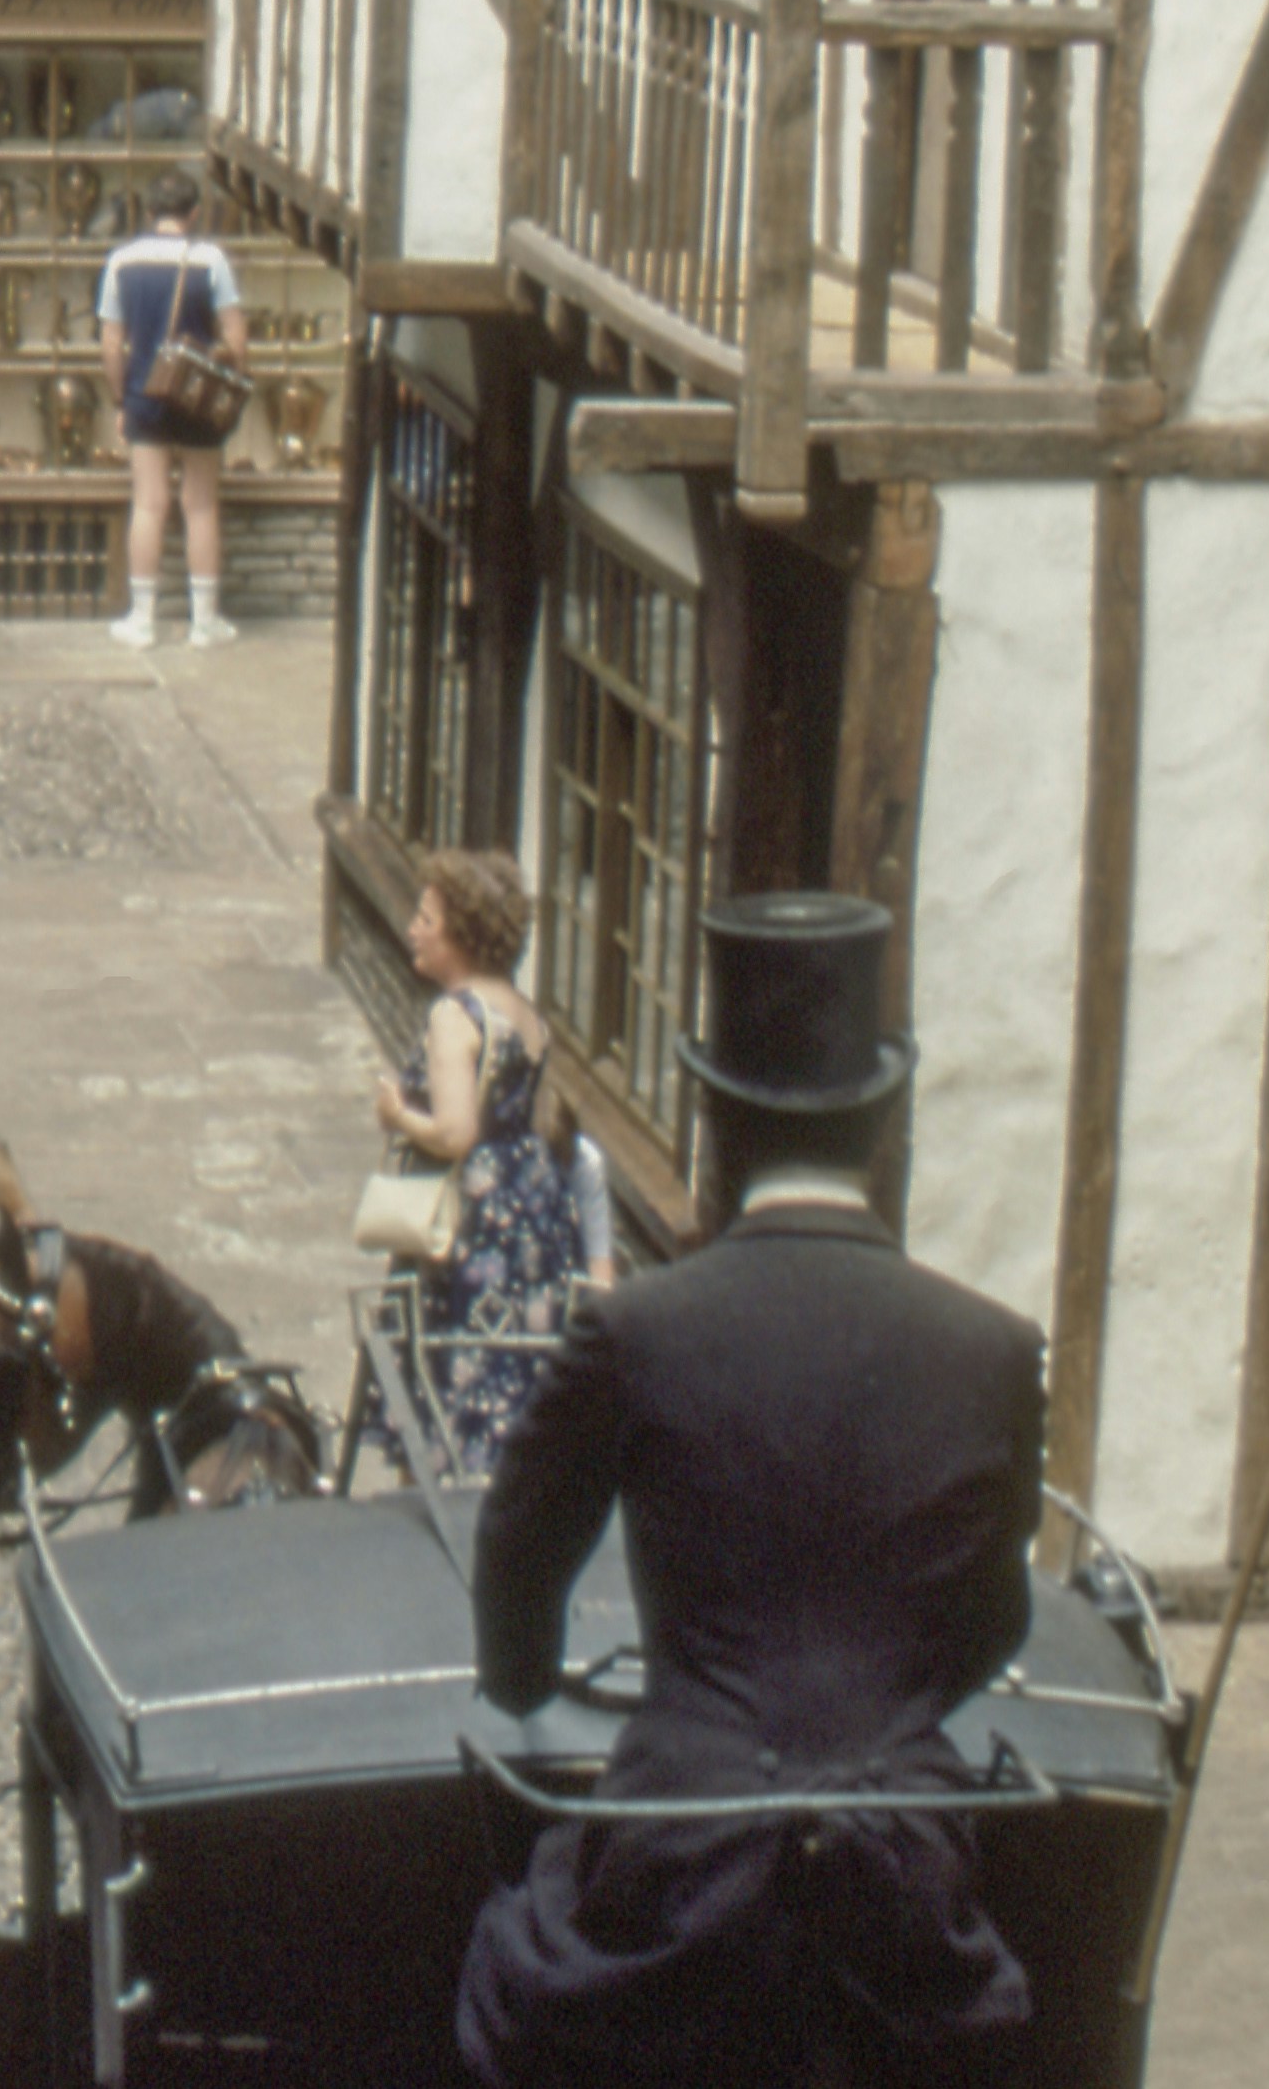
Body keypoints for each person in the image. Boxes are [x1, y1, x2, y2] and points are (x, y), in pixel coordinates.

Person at [461, 893, 1047, 2089]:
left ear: (715, 1121)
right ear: (882, 1127)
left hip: (681, 1862)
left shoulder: (636, 1329)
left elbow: (517, 1558)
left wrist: (527, 1681)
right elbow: (996, 1621)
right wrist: (879, 1718)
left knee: (495, 1975)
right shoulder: (992, 1349)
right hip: (900, 1890)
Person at [372, 847, 610, 1462]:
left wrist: (398, 1115)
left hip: (472, 1220)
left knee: (453, 1373)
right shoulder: (524, 1013)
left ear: (462, 934)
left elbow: (456, 1134)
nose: (414, 931)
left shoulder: (456, 1017)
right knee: (519, 1368)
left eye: (427, 919)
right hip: (531, 1208)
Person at [95, 174, 250, 649]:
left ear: (148, 213)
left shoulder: (121, 261)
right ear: (194, 214)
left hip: (146, 393)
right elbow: (236, 339)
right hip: (198, 398)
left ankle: (142, 620)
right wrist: (223, 369)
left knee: (148, 504)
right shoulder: (211, 260)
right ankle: (204, 621)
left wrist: (123, 398)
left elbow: (111, 342)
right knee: (200, 505)